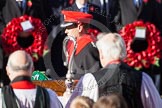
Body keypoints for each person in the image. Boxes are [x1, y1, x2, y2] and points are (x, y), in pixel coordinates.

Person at [66, 33, 162, 108]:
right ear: (124, 52)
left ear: (102, 54)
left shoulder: (91, 80)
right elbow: (156, 105)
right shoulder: (143, 78)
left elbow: (74, 105)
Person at [61, 10, 102, 79]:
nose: (66, 31)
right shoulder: (73, 44)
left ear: (80, 27)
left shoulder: (88, 48)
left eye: (68, 28)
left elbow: (93, 78)